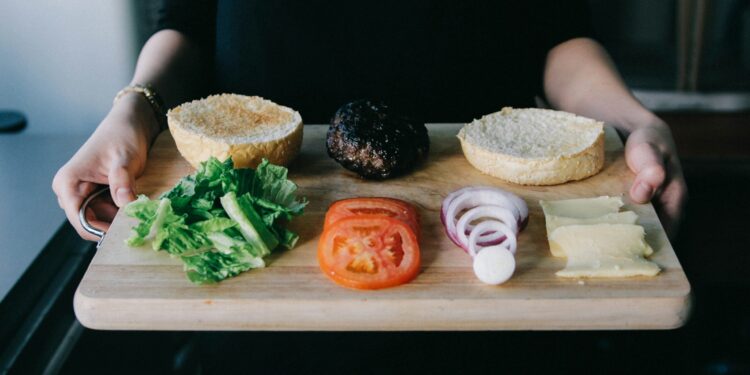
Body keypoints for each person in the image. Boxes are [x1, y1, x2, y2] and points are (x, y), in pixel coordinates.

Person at [53, 0, 687, 241]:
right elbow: (186, 24)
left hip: (488, 237)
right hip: (258, 233)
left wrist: (631, 121)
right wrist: (131, 108)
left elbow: (560, 34)